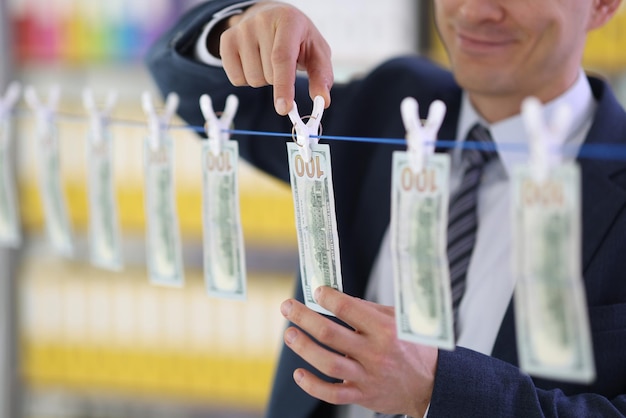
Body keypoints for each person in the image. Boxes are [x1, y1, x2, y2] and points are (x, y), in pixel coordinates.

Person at [146, 0, 626, 417]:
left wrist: (437, 391)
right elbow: (187, 90)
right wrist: (242, 28)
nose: (476, 10)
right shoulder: (391, 101)